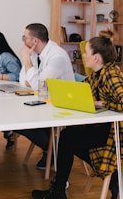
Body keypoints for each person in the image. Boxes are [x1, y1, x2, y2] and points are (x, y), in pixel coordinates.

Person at [32, 30, 123, 199]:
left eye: (86, 52)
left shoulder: (111, 75)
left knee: (68, 138)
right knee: (69, 139)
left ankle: (58, 191)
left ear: (96, 57)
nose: (83, 55)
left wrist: (103, 104)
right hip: (102, 128)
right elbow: (81, 91)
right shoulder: (97, 75)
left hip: (113, 134)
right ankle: (114, 181)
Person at [16, 23, 75, 169]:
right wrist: (34, 79)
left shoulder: (57, 56)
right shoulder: (36, 54)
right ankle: (50, 149)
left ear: (34, 41)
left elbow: (38, 85)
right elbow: (22, 79)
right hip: (44, 100)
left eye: (25, 38)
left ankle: (53, 150)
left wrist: (27, 61)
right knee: (17, 121)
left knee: (23, 123)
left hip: (61, 105)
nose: (23, 41)